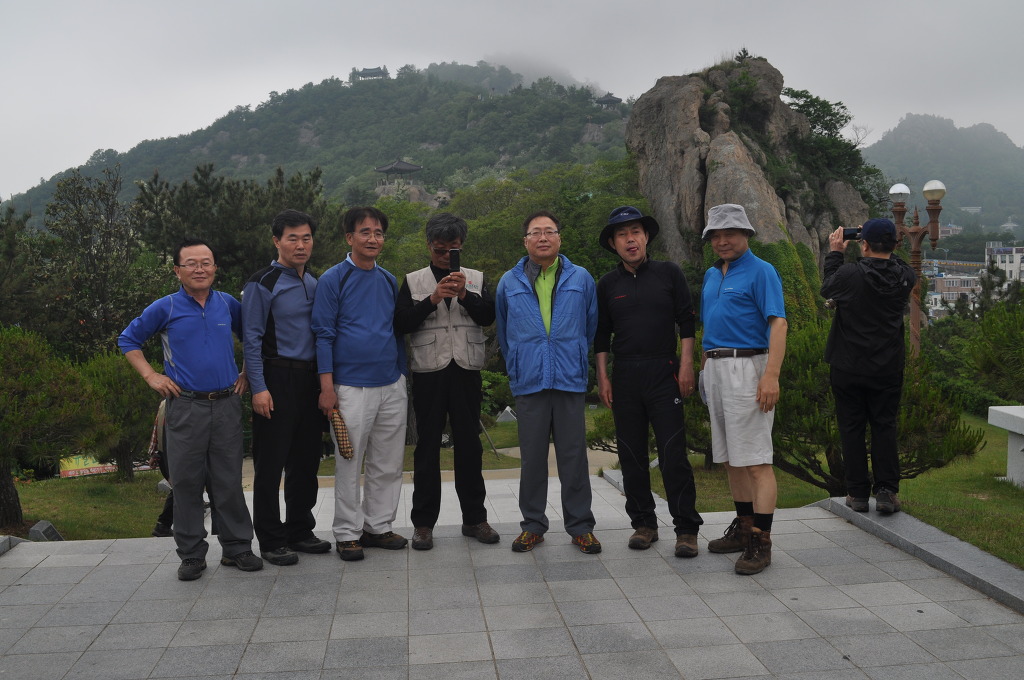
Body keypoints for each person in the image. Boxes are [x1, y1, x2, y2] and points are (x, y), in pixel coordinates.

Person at [119, 237, 262, 581]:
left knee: (228, 480)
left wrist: (247, 372)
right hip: (185, 406)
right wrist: (151, 375)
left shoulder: (227, 304)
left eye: (206, 263)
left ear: (215, 268)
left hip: (226, 404)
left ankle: (237, 547)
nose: (200, 269)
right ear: (177, 270)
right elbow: (128, 340)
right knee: (186, 482)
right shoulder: (166, 307)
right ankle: (192, 554)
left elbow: (253, 337)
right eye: (191, 264)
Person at [595, 206, 704, 557]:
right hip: (625, 374)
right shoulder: (607, 284)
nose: (630, 239)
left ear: (646, 237)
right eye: (622, 234)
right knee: (631, 455)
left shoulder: (669, 273)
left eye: (636, 232)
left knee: (673, 454)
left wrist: (686, 366)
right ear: (613, 243)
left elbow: (686, 321)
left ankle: (686, 529)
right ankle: (644, 524)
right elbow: (601, 335)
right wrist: (603, 377)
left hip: (664, 370)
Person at [495, 210, 601, 554]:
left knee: (574, 456)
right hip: (529, 380)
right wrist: (518, 366)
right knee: (532, 458)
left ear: (559, 238)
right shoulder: (508, 282)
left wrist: (575, 356)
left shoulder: (581, 278)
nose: (543, 237)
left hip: (569, 378)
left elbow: (590, 327)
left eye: (549, 231)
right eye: (535, 232)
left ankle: (580, 526)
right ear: (525, 241)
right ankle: (533, 525)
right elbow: (504, 334)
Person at [395, 213, 498, 551]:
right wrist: (433, 299)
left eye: (452, 250)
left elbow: (488, 316)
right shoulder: (413, 281)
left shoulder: (476, 278)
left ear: (461, 246)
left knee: (470, 445)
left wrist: (465, 294)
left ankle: (475, 519)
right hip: (429, 371)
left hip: (466, 369)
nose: (445, 256)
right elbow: (401, 323)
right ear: (429, 246)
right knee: (427, 447)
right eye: (439, 249)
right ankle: (423, 524)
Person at [312, 206, 408, 562]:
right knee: (349, 462)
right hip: (351, 386)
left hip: (391, 383)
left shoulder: (387, 279)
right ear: (349, 237)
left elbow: (394, 329)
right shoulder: (333, 279)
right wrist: (327, 387)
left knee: (388, 461)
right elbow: (323, 335)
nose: (373, 238)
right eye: (365, 232)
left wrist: (401, 373)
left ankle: (378, 526)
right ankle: (347, 533)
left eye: (378, 232)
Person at [699, 204, 787, 576]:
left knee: (755, 460)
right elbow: (711, 322)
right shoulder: (711, 274)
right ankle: (743, 527)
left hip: (748, 367)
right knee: (730, 458)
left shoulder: (762, 270)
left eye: (730, 233)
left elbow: (778, 323)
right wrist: (704, 367)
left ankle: (760, 541)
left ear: (746, 234)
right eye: (716, 235)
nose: (723, 241)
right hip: (716, 367)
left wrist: (771, 376)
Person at [242, 209, 332, 566]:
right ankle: (270, 539)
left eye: (306, 238)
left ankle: (300, 530)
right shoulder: (262, 282)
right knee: (270, 464)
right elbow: (251, 338)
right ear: (276, 241)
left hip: (310, 380)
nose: (300, 245)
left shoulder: (315, 282)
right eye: (292, 238)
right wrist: (258, 388)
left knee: (306, 461)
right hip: (275, 377)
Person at [820, 219, 915, 514]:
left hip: (847, 364)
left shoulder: (850, 274)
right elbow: (897, 262)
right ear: (894, 245)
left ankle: (858, 493)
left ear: (864, 245)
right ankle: (886, 491)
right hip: (887, 365)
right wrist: (880, 241)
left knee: (851, 427)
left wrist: (836, 252)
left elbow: (828, 287)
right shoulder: (905, 276)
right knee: (884, 426)